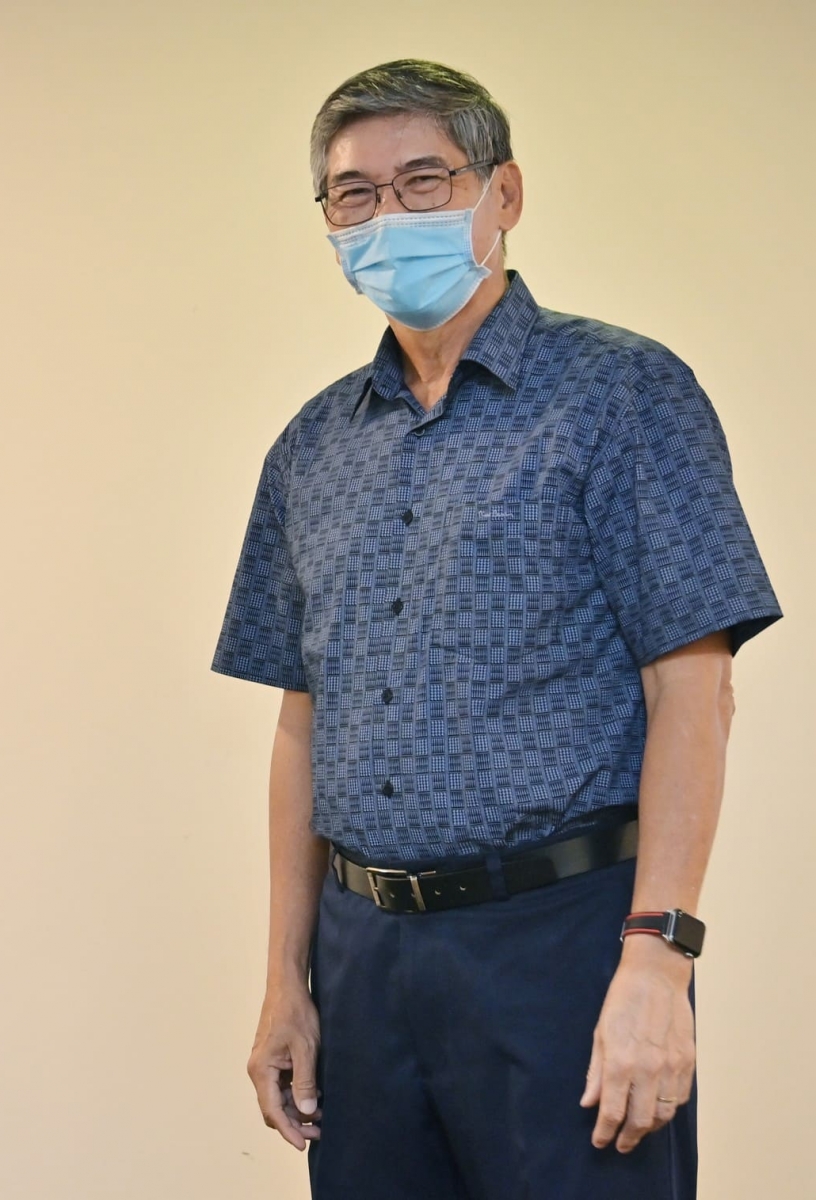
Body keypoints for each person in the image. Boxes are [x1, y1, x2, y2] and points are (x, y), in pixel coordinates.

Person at [213, 60, 780, 1199]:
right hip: (362, 958)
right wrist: (287, 978)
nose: (388, 215)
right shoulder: (313, 447)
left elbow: (692, 689)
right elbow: (301, 725)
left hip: (564, 945)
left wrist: (660, 959)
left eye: (424, 181)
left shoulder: (621, 395)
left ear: (503, 194)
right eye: (355, 194)